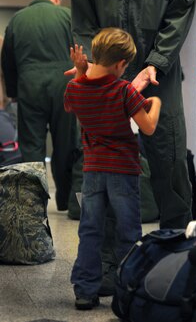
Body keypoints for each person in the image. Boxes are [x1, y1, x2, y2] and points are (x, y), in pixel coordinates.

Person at [70, 0, 196, 293]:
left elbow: (181, 10)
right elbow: (83, 12)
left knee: (168, 159)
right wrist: (93, 63)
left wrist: (156, 63)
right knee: (105, 169)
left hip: (159, 75)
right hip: (108, 75)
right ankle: (108, 269)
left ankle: (173, 263)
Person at [64, 27, 161, 310]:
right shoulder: (124, 90)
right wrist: (155, 102)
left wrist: (82, 73)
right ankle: (128, 289)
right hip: (123, 171)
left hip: (92, 170)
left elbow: (75, 100)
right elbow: (149, 127)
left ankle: (84, 291)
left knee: (90, 231)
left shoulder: (74, 88)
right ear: (121, 64)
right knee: (128, 232)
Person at [1, 0, 77, 210]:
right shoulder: (67, 16)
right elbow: (79, 52)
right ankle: (64, 200)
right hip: (63, 86)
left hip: (29, 86)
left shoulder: (17, 19)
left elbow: (8, 61)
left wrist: (14, 92)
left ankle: (33, 205)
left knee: (31, 146)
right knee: (65, 144)